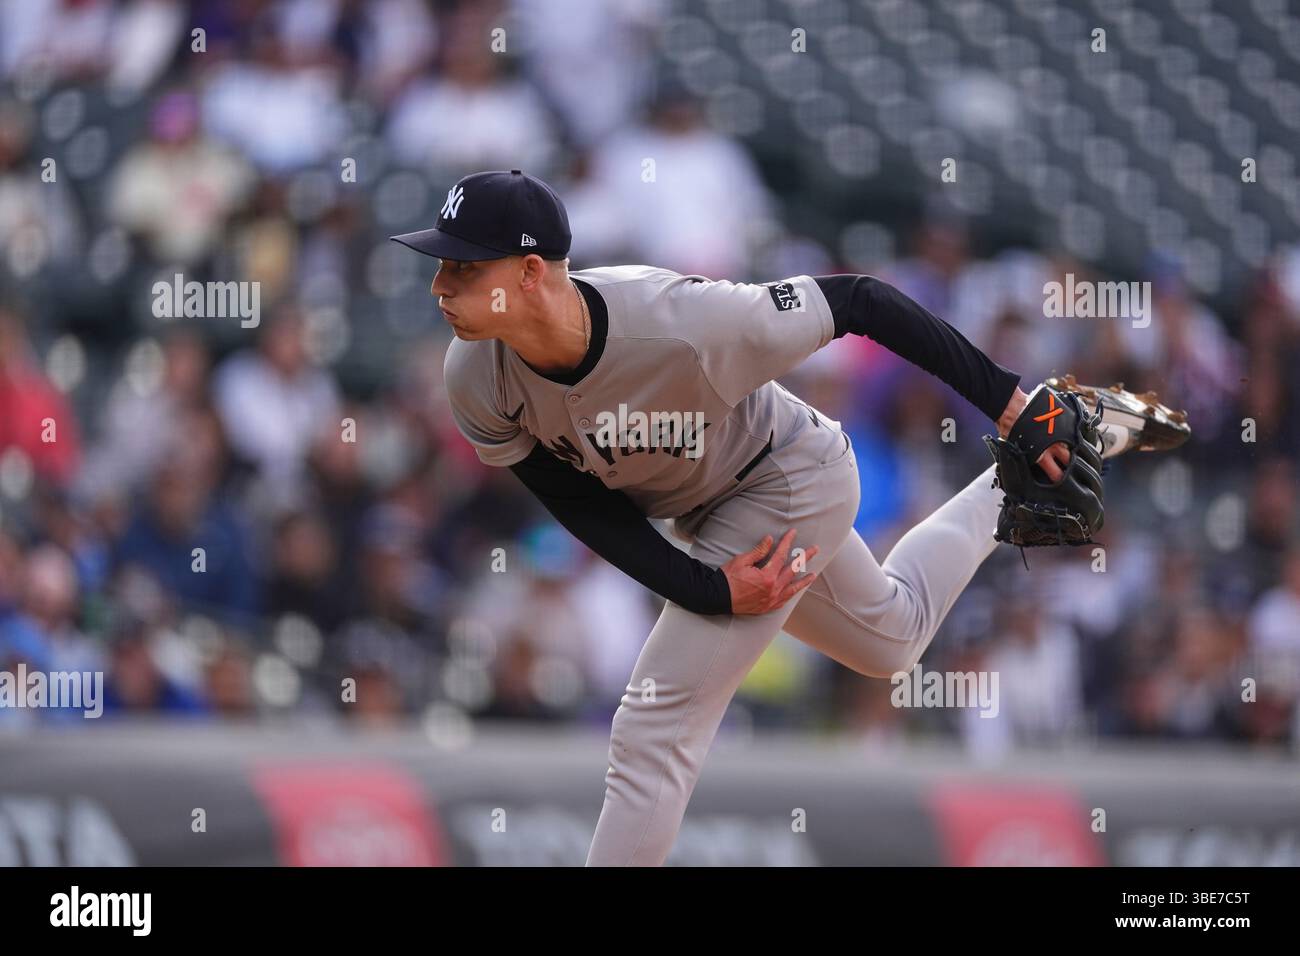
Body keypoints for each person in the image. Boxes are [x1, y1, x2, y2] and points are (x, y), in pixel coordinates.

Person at [391, 169, 1185, 867]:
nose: (440, 286)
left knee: (653, 725)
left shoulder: (684, 323)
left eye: (462, 267)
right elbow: (578, 502)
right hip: (706, 517)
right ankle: (1016, 485)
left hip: (787, 477)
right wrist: (703, 586)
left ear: (530, 272)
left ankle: (1046, 423)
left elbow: (861, 301)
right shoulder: (477, 376)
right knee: (891, 637)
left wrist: (1013, 406)